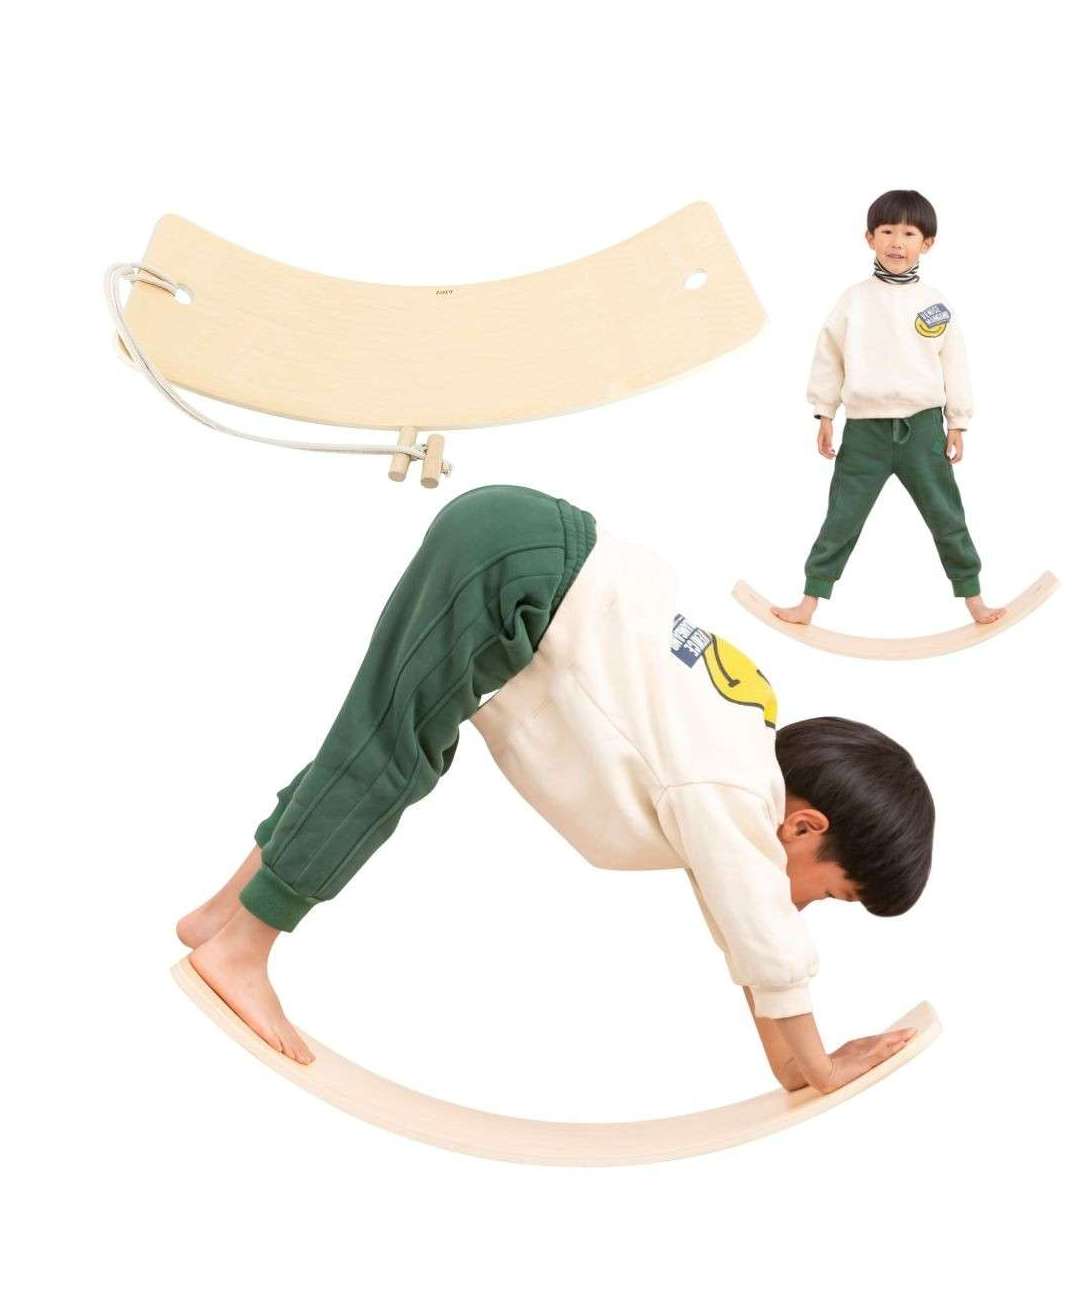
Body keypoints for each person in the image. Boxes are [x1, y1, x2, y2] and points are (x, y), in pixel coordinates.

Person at [179, 485, 932, 1091]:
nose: (802, 906)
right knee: (387, 758)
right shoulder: (732, 788)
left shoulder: (733, 763)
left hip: (527, 549)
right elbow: (765, 936)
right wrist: (822, 1066)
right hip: (523, 568)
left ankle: (224, 916)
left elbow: (743, 929)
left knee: (382, 746)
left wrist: (793, 1070)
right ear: (805, 827)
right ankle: (241, 948)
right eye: (829, 894)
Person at [773, 188, 1005, 627]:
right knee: (842, 517)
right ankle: (809, 600)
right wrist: (825, 413)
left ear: (927, 243)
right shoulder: (853, 300)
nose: (897, 243)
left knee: (946, 514)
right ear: (870, 238)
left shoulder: (934, 303)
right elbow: (829, 357)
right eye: (887, 232)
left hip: (923, 429)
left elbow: (954, 363)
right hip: (865, 432)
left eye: (909, 233)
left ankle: (973, 596)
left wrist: (958, 422)